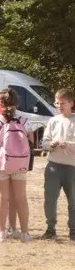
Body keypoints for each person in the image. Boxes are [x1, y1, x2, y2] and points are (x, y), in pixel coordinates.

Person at [0, 88, 35, 243]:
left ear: (0, 103)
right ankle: (25, 233)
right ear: (16, 103)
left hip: (0, 164)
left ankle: (1, 232)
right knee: (21, 198)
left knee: (1, 198)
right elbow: (31, 141)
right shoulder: (25, 121)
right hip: (19, 163)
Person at [42, 88, 75, 241]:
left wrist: (68, 145)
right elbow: (44, 143)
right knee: (50, 200)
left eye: (63, 103)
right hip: (53, 166)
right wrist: (51, 145)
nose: (59, 106)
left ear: (71, 103)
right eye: (57, 103)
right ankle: (50, 229)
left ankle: (73, 230)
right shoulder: (53, 121)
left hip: (72, 168)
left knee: (73, 201)